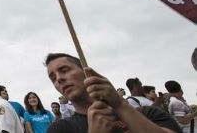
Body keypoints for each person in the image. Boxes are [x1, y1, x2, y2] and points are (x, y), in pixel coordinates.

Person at [44, 52, 181, 133]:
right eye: (53, 78)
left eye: (64, 70)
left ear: (86, 71)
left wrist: (120, 105)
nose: (59, 79)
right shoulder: (60, 129)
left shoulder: (148, 113)